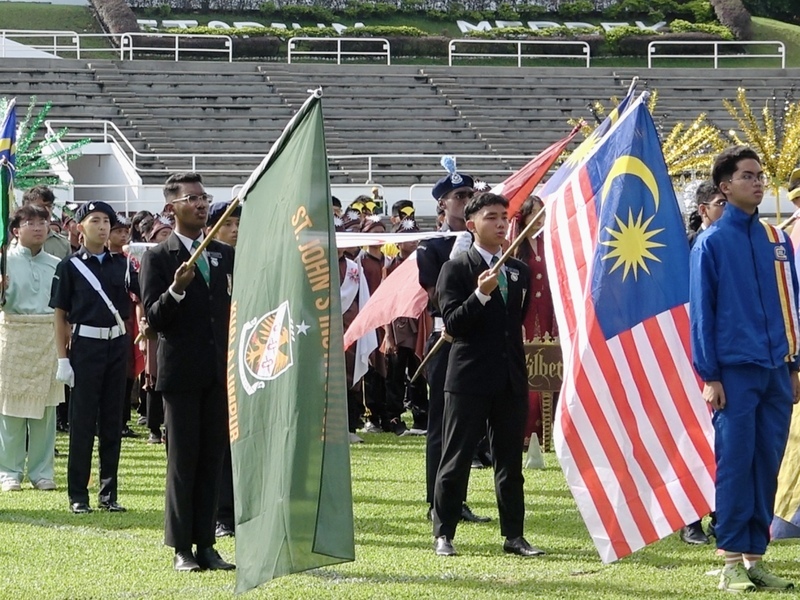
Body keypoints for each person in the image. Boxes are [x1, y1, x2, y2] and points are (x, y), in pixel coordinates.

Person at [690, 146, 799, 592]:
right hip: (734, 372)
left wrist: (794, 364)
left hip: (777, 369)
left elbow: (791, 305)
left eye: (760, 176)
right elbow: (702, 314)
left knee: (767, 463)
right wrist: (709, 375)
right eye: (748, 176)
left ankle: (755, 557)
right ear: (725, 186)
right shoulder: (711, 242)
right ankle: (729, 559)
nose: (758, 183)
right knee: (735, 464)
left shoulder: (777, 239)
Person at [432, 192, 542, 558]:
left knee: (510, 462)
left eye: (503, 217)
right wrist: (479, 294)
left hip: (509, 378)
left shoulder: (518, 270)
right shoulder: (457, 269)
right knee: (457, 457)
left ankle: (514, 535)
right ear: (471, 224)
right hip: (468, 379)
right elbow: (453, 325)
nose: (500, 224)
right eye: (491, 217)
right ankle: (444, 531)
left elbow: (515, 323)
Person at [139, 172, 235, 572]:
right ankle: (181, 547)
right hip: (180, 375)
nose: (200, 205)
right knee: (183, 460)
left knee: (213, 459)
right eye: (191, 198)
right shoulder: (158, 258)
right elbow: (154, 319)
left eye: (203, 197)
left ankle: (206, 544)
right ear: (171, 207)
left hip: (217, 371)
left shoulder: (223, 255)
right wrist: (176, 290)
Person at [50, 201, 137, 514]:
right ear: (79, 227)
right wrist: (63, 359)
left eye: (107, 222)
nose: (103, 227)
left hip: (117, 346)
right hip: (85, 346)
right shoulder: (69, 267)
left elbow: (139, 299)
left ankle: (108, 494)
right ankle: (78, 495)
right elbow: (60, 315)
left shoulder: (123, 265)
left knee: (113, 421)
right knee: (83, 423)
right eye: (95, 220)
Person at [417, 163, 489, 524]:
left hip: (478, 337)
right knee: (441, 424)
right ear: (443, 204)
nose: (466, 201)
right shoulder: (432, 244)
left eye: (470, 195)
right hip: (446, 336)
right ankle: (436, 500)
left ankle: (456, 499)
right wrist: (458, 256)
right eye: (459, 196)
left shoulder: (486, 244)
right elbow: (434, 295)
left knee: (467, 427)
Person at [0, 205, 63, 492]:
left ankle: (42, 471)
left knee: (46, 410)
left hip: (47, 335)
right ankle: (9, 471)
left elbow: (64, 305)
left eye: (43, 222)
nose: (38, 227)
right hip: (13, 333)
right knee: (10, 409)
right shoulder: (4, 262)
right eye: (30, 222)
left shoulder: (56, 263)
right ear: (15, 229)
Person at [680, 181, 725, 546]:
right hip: (694, 354)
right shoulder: (697, 245)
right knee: (695, 436)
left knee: (720, 442)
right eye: (719, 203)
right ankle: (690, 518)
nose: (725, 209)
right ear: (703, 209)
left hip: (721, 357)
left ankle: (720, 513)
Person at [384, 219, 428, 436]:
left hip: (419, 323)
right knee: (396, 374)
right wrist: (388, 335)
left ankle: (421, 418)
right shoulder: (390, 267)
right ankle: (394, 417)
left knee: (418, 372)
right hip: (398, 325)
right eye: (407, 237)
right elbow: (386, 302)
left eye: (415, 237)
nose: (412, 242)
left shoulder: (423, 262)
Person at [686, 181, 726, 249]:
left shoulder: (740, 239)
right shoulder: (688, 244)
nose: (728, 208)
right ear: (703, 210)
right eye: (722, 203)